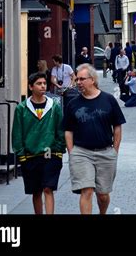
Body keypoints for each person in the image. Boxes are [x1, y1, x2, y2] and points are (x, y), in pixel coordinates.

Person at [63, 64, 126, 215]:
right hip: (81, 153)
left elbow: (117, 126)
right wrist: (72, 152)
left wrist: (114, 150)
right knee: (87, 190)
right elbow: (68, 130)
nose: (78, 82)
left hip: (105, 152)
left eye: (82, 79)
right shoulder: (73, 103)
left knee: (103, 195)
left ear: (92, 80)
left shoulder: (108, 100)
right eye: (77, 79)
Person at [11, 72, 65, 214]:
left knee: (48, 188)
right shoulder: (21, 109)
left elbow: (61, 130)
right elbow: (17, 133)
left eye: (44, 83)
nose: (43, 86)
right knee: (36, 191)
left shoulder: (54, 107)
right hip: (30, 157)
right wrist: (21, 155)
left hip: (51, 155)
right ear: (30, 87)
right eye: (39, 84)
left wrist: (59, 151)